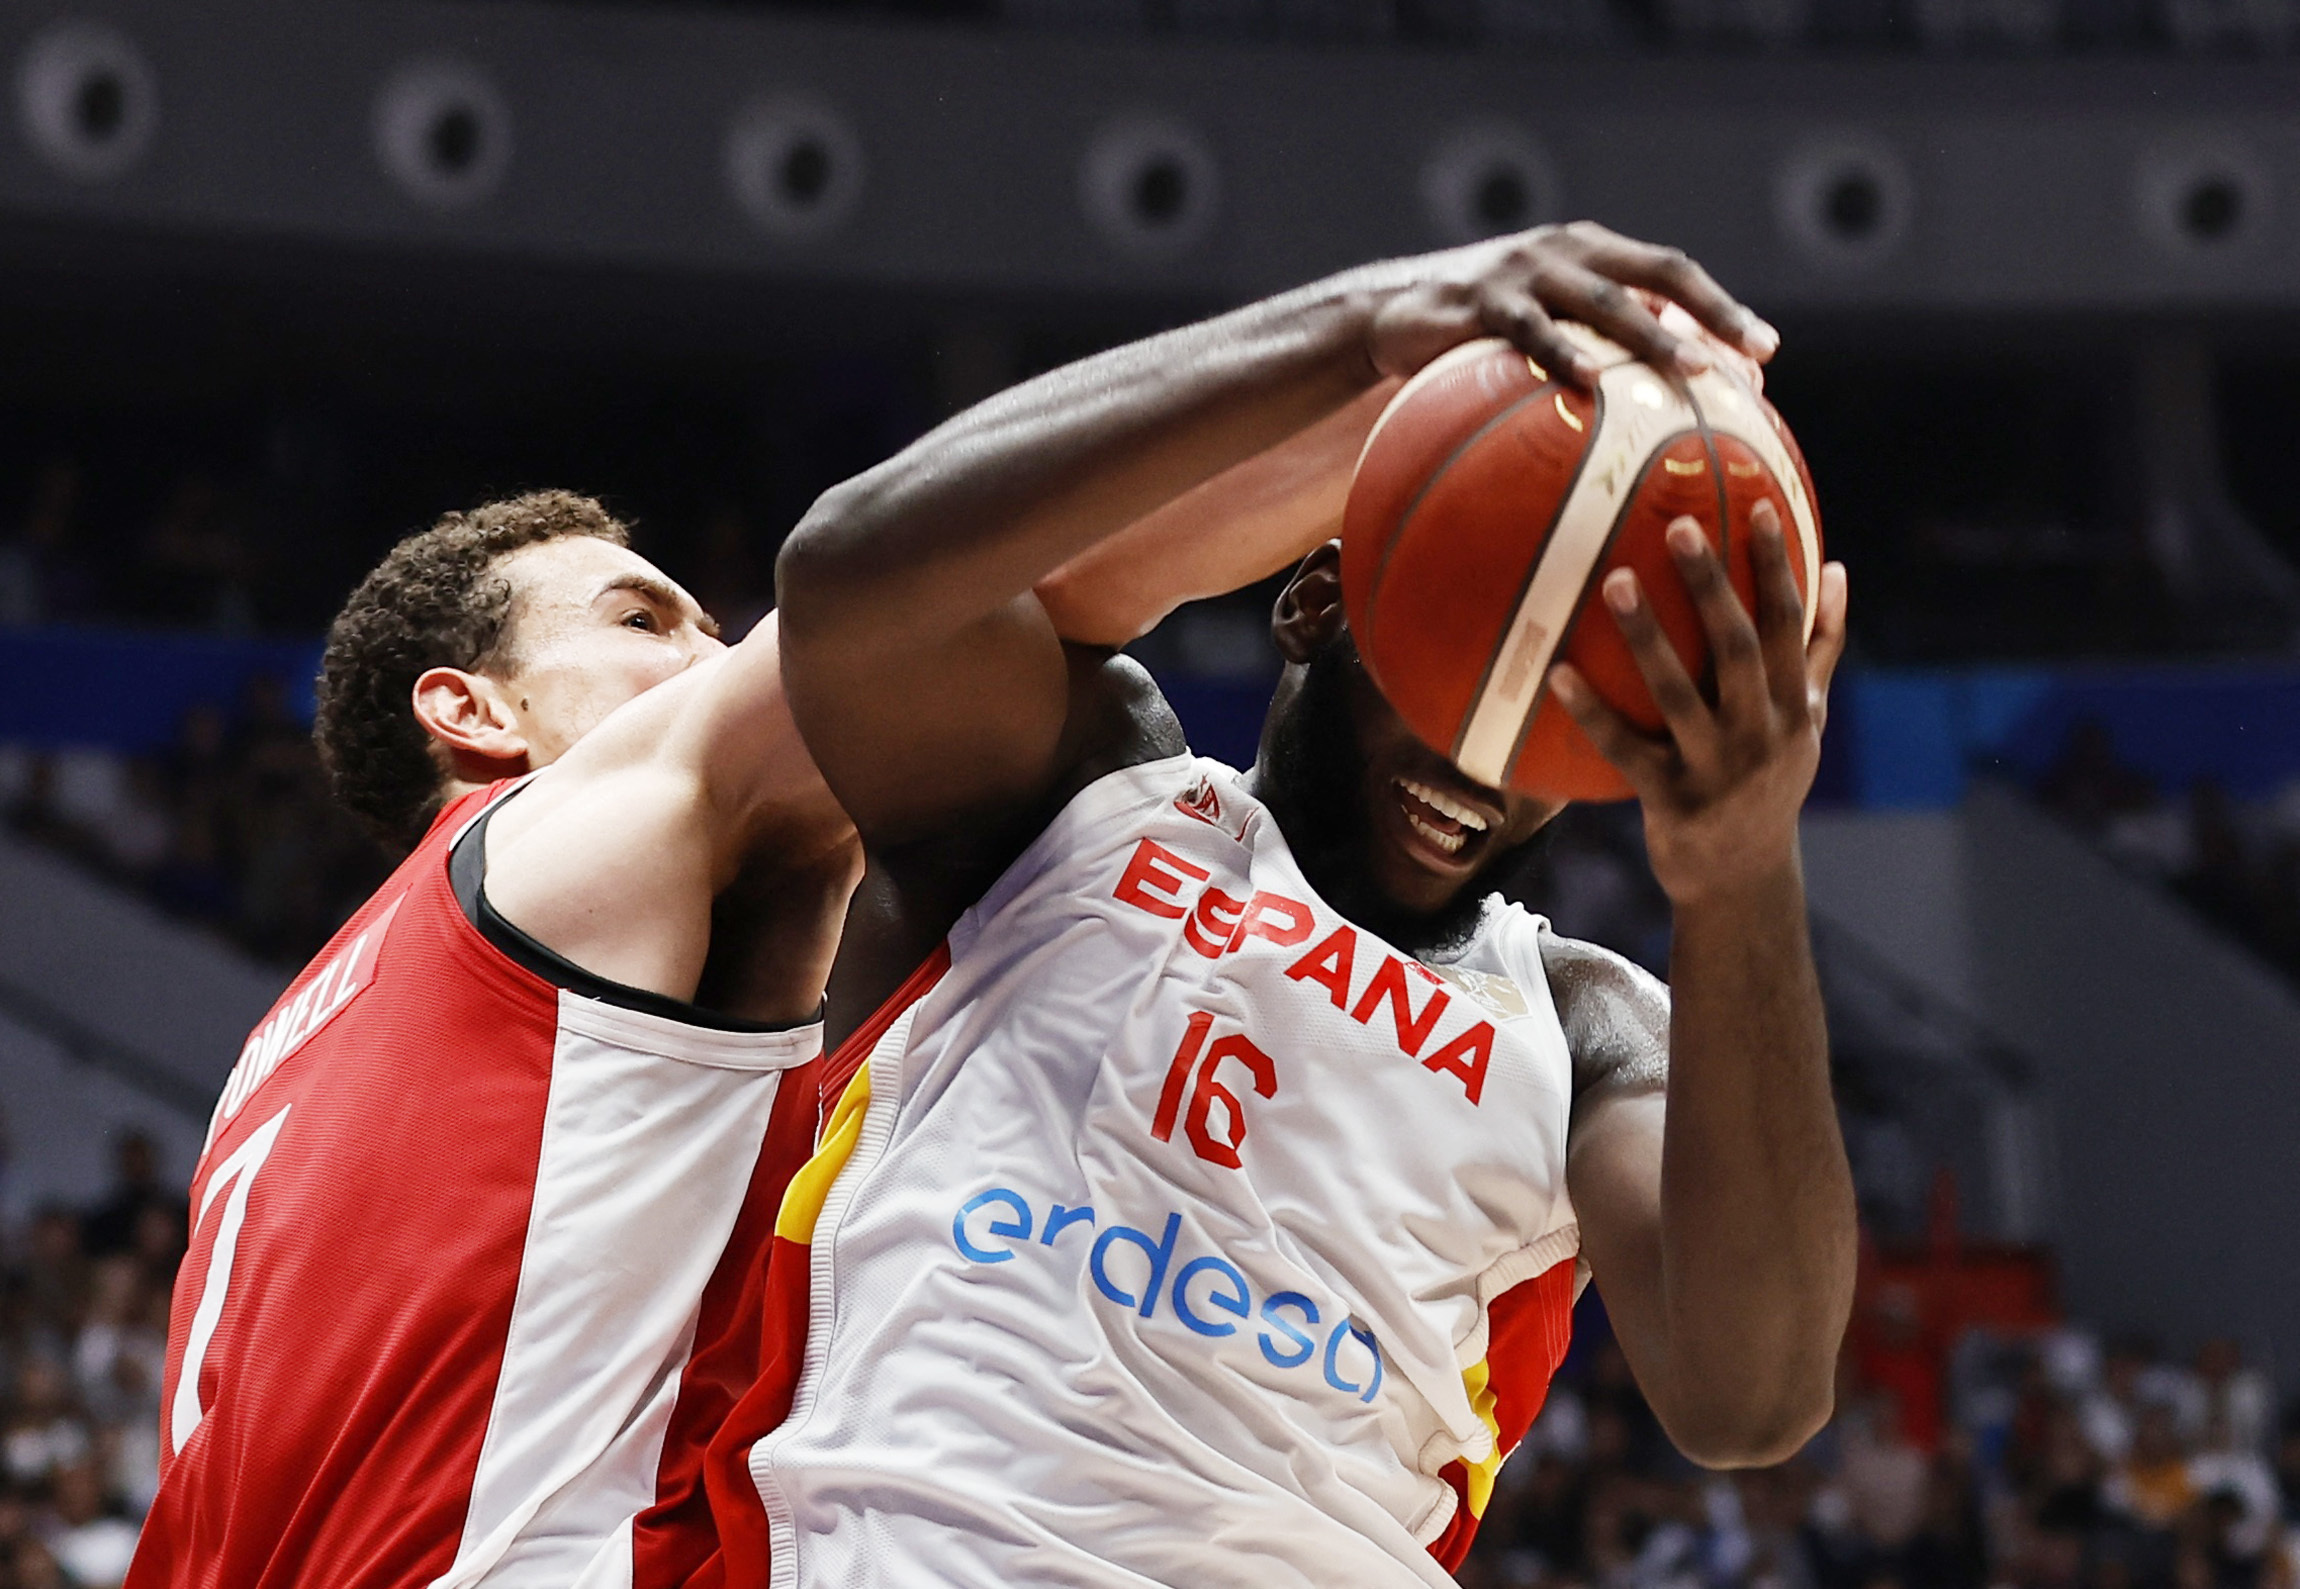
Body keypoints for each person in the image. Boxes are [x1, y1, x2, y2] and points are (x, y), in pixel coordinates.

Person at [128, 219, 1741, 1589]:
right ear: (478, 716)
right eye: (646, 620)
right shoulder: (591, 834)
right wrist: (1423, 378)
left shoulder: (302, 1045)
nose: (712, 654)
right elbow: (1004, 589)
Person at [720, 221, 1857, 1585]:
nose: (1474, 768)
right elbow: (848, 582)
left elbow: (1755, 1397)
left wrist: (1742, 868)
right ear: (1319, 602)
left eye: (1548, 720)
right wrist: (1355, 335)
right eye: (1446, 676)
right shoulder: (1075, 781)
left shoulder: (1589, 1023)